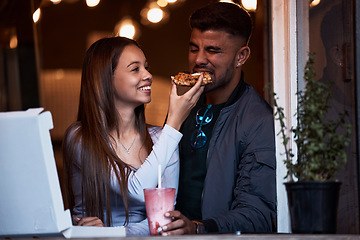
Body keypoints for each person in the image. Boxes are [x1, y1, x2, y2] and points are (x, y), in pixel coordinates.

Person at [62, 36, 204, 236]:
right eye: (135, 69)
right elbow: (135, 189)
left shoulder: (161, 138)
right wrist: (173, 123)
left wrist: (111, 233)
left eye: (146, 67)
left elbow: (163, 220)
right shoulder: (80, 137)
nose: (148, 75)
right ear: (105, 78)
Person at [162, 2, 276, 235]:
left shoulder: (258, 120)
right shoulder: (183, 104)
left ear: (240, 56)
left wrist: (197, 230)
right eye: (194, 48)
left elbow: (258, 213)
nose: (199, 60)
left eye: (213, 51)